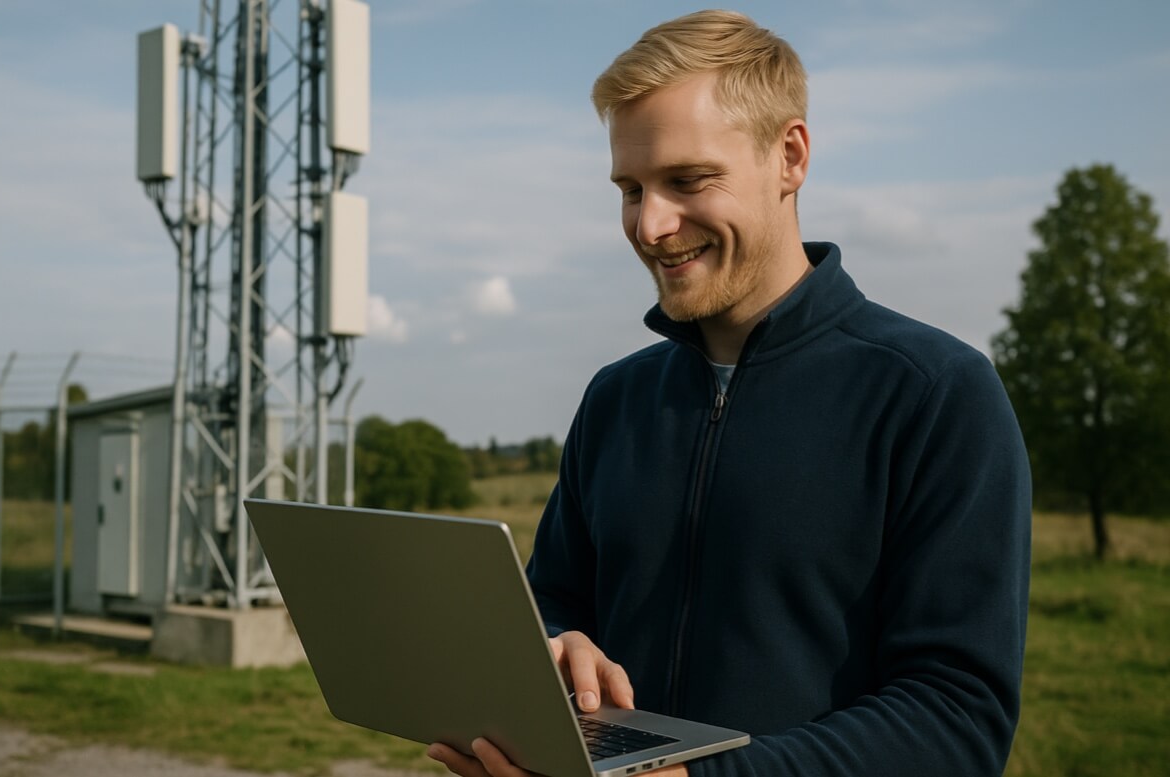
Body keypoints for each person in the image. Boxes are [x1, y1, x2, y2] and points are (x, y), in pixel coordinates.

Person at [428, 10, 1031, 777]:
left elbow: (956, 717)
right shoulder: (615, 400)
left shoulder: (936, 395)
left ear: (790, 156)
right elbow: (554, 603)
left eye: (687, 180)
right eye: (630, 188)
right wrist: (553, 649)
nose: (650, 224)